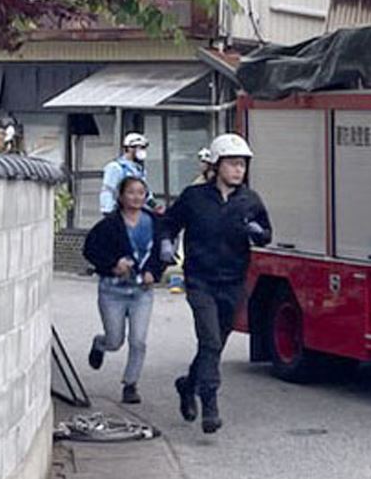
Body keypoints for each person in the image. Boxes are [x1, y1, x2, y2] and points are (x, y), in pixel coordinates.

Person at [159, 132, 272, 434]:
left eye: (243, 165)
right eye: (233, 164)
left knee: (215, 345)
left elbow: (267, 234)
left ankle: (188, 385)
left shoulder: (249, 200)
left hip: (234, 281)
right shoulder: (194, 197)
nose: (239, 170)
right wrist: (166, 244)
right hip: (200, 281)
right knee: (209, 340)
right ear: (217, 165)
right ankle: (209, 403)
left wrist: (257, 231)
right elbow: (168, 223)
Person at [82, 175, 163, 404]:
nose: (136, 197)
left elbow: (162, 252)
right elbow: (90, 249)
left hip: (142, 292)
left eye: (141, 192)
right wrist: (111, 265)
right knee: (115, 340)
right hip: (113, 292)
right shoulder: (109, 225)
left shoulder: (154, 222)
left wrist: (154, 272)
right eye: (131, 192)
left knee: (138, 340)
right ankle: (101, 343)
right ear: (121, 196)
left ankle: (130, 384)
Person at [100, 132, 161, 214]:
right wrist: (109, 212)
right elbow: (108, 190)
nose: (142, 151)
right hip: (120, 212)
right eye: (140, 147)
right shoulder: (115, 167)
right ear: (129, 148)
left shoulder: (139, 169)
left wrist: (154, 206)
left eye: (143, 148)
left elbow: (145, 193)